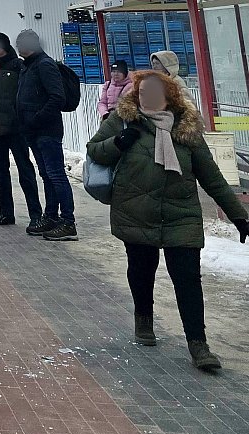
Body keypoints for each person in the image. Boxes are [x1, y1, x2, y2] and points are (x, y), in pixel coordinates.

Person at [86, 71, 249, 370]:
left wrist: (239, 216)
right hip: (136, 210)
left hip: (180, 214)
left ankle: (199, 345)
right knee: (141, 270)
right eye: (143, 91)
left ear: (169, 94)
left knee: (188, 279)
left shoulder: (186, 128)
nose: (148, 96)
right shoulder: (123, 119)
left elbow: (211, 177)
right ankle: (144, 320)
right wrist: (120, 142)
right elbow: (94, 150)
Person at [0, 32, 42, 227]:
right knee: (0, 172)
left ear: (2, 46)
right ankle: (6, 213)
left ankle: (35, 215)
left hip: (17, 128)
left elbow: (27, 92)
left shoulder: (18, 66)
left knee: (25, 171)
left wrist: (21, 115)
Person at [16, 29, 78, 241]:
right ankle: (51, 216)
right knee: (47, 175)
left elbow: (57, 98)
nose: (18, 48)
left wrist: (35, 120)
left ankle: (68, 222)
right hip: (34, 132)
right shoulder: (29, 65)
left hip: (47, 131)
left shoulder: (44, 64)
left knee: (56, 175)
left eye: (21, 44)